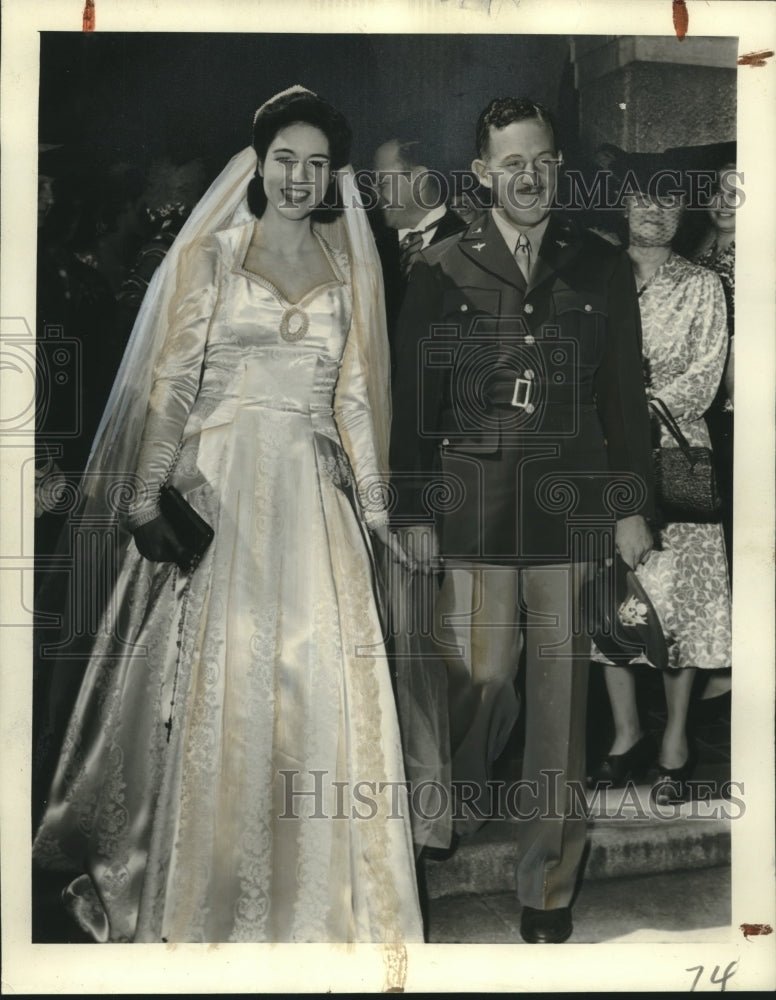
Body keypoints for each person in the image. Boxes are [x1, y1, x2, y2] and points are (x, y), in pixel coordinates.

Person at [32, 86, 423, 947]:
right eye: (285, 157)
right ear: (258, 160)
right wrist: (144, 497)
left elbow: (355, 395)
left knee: (318, 681)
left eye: (316, 163)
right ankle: (204, 888)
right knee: (223, 686)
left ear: (331, 177)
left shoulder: (350, 265)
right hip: (221, 489)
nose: (299, 176)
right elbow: (171, 387)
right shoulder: (210, 256)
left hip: (315, 502)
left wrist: (380, 508)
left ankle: (325, 901)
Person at [389, 96, 654, 944]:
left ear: (558, 166)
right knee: (481, 676)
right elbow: (414, 408)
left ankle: (547, 882)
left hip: (569, 509)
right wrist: (411, 506)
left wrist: (632, 505)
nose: (529, 176)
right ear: (481, 174)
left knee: (560, 703)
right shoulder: (438, 269)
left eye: (541, 160)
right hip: (472, 511)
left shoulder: (600, 266)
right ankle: (455, 802)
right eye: (511, 163)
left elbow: (624, 399)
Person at [590, 168, 731, 805]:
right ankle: (625, 735)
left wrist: (632, 411)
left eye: (669, 197)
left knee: (682, 604)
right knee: (613, 594)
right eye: (642, 194)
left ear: (683, 211)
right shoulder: (594, 273)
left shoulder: (704, 285)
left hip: (677, 455)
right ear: (621, 201)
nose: (654, 209)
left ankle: (675, 739)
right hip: (606, 459)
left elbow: (704, 377)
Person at [372, 133, 465, 361]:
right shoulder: (369, 249)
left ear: (419, 180)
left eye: (382, 182)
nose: (374, 193)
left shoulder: (472, 242)